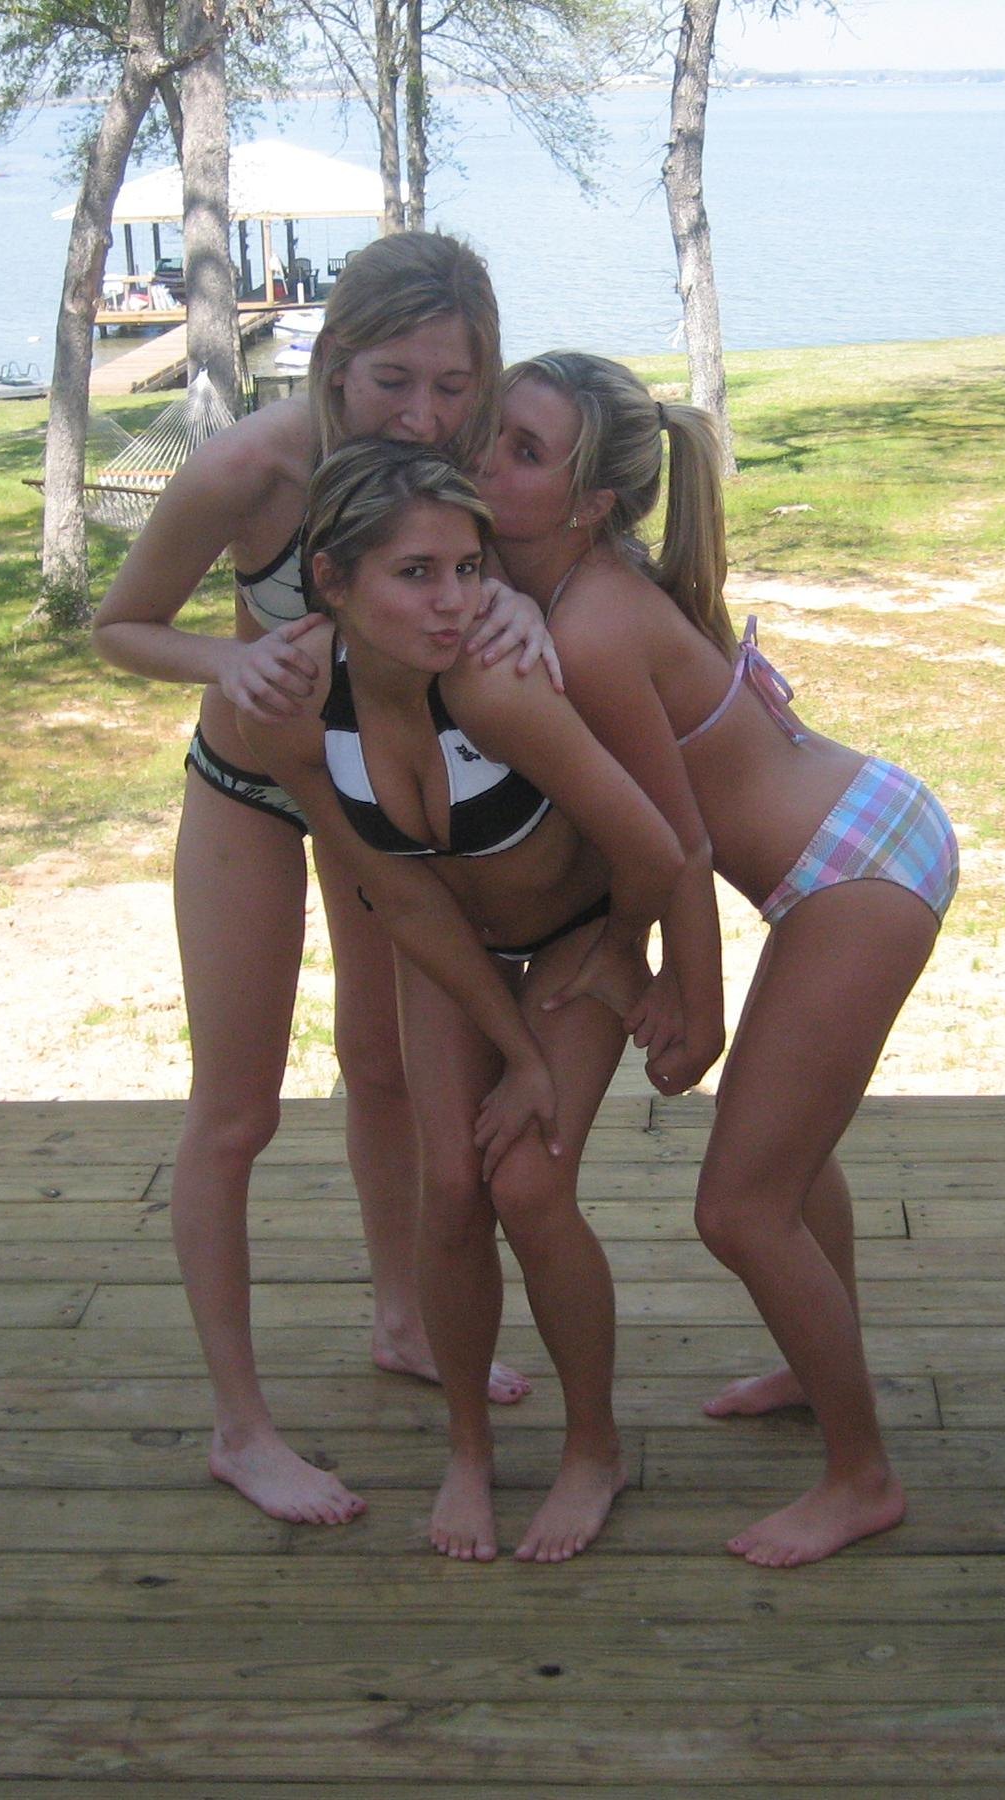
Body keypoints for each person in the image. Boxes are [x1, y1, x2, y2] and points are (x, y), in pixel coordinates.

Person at [90, 232, 553, 1528]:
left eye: (453, 384)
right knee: (235, 1112)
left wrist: (527, 606)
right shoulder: (251, 469)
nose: (425, 415)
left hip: (380, 797)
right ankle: (241, 1429)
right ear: (334, 358)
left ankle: (403, 1319)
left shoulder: (473, 461)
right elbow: (120, 623)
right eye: (393, 380)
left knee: (387, 1066)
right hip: (251, 785)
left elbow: (549, 566)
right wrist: (224, 663)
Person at [473, 351, 961, 1567]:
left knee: (739, 1208)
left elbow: (679, 845)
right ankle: (815, 1369)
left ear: (590, 502)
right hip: (863, 829)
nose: (485, 458)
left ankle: (862, 1477)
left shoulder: (590, 625)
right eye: (494, 430)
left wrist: (695, 1008)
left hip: (853, 878)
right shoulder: (575, 585)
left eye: (523, 451)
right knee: (787, 1161)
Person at [237, 439, 685, 1563]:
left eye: (472, 568)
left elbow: (657, 850)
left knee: (528, 1186)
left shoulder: (493, 683)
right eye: (417, 573)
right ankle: (469, 1454)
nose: (456, 601)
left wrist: (618, 959)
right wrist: (513, 1051)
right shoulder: (294, 709)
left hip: (580, 934)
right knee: (448, 1188)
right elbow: (396, 894)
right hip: (450, 948)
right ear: (333, 580)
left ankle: (593, 1449)